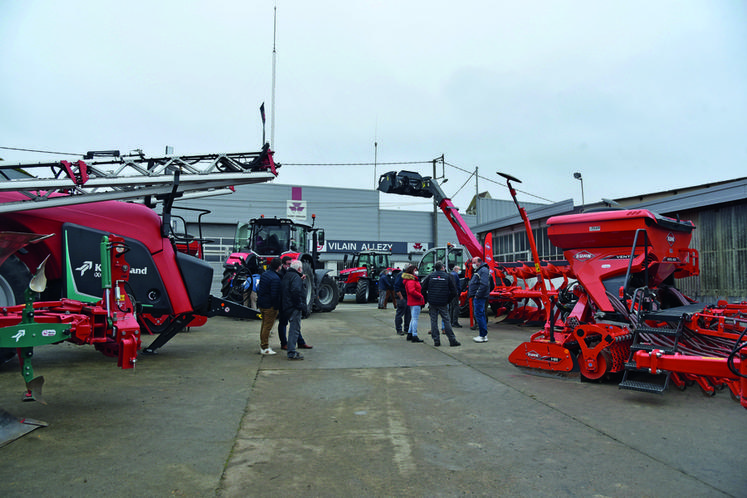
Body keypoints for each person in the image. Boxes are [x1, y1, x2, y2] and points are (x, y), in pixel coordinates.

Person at [422, 261, 461, 347]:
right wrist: (448, 300)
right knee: (447, 320)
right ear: (443, 267)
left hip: (432, 302)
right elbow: (454, 291)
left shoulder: (430, 276)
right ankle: (452, 340)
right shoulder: (448, 276)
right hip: (443, 302)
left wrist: (428, 298)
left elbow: (423, 288)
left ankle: (436, 340)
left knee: (433, 321)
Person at [277, 256, 312, 350]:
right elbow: (292, 289)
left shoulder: (290, 275)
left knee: (295, 325)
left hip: (288, 302)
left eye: (290, 264)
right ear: (283, 265)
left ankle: (300, 342)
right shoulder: (281, 275)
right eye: (288, 264)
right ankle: (284, 343)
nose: (289, 266)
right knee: (284, 323)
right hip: (286, 302)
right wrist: (299, 305)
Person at [256, 258, 282, 355]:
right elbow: (274, 295)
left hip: (262, 303)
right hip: (269, 306)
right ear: (279, 267)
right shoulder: (275, 279)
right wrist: (276, 307)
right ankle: (265, 347)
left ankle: (264, 345)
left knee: (264, 325)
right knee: (267, 327)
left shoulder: (265, 274)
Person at [468, 256, 491, 343]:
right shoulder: (480, 270)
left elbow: (484, 284)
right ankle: (483, 335)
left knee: (479, 315)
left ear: (479, 262)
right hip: (479, 296)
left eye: (474, 262)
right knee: (480, 315)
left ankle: (483, 335)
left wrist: (477, 295)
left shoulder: (483, 270)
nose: (473, 264)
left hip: (479, 297)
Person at [402, 265, 424, 343]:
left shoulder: (410, 280)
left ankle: (410, 334)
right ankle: (414, 335)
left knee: (413, 318)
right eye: (415, 270)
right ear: (412, 271)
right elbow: (412, 291)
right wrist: (420, 296)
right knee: (415, 319)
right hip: (415, 301)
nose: (416, 271)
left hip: (412, 301)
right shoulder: (412, 281)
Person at [393, 268, 410, 335]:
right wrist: (401, 297)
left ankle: (407, 328)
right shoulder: (401, 275)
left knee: (408, 314)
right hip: (402, 297)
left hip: (407, 297)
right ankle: (399, 329)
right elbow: (397, 287)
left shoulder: (408, 276)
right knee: (400, 313)